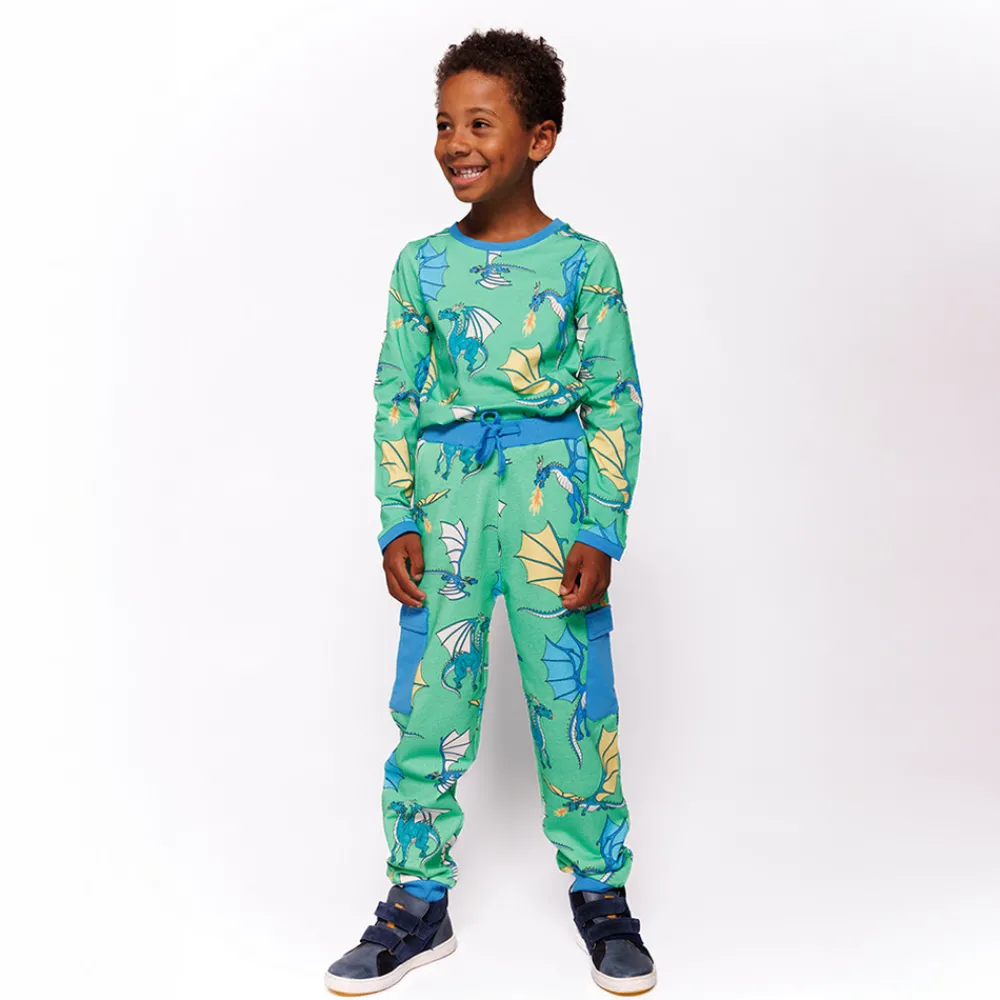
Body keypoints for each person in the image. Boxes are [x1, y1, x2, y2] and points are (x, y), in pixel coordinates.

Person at [325, 28, 654, 997]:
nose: (456, 144)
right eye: (444, 124)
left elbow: (615, 400)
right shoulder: (420, 266)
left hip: (554, 498)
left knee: (574, 700)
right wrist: (398, 516)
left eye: (479, 123)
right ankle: (417, 899)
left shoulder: (584, 264)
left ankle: (601, 892)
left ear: (539, 137)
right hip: (447, 499)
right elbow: (394, 395)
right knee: (431, 698)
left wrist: (599, 526)